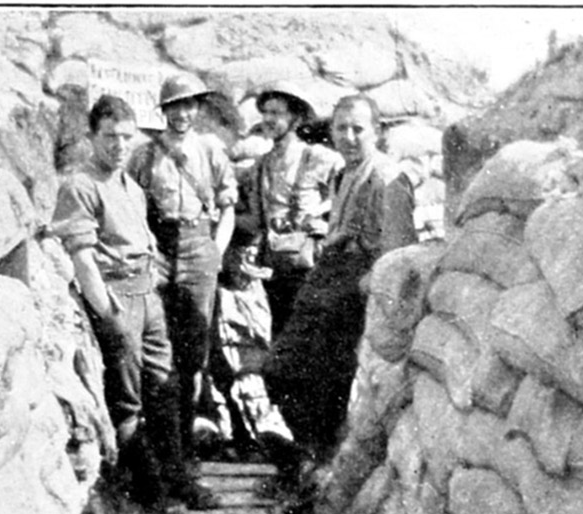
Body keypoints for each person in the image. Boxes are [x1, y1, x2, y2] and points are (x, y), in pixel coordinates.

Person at [51, 95, 218, 514]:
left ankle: (179, 477)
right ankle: (150, 488)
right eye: (110, 137)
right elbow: (83, 258)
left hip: (148, 294)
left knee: (165, 387)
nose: (119, 145)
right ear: (92, 137)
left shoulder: (131, 187)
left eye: (127, 137)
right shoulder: (80, 185)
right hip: (117, 296)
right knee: (129, 398)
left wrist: (154, 295)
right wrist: (108, 315)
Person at [263, 93, 418, 482]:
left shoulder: (386, 178)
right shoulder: (345, 172)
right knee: (279, 368)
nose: (349, 137)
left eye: (358, 129)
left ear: (377, 132)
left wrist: (356, 293)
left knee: (328, 388)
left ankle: (319, 469)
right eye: (341, 128)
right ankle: (311, 457)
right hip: (326, 284)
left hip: (353, 298)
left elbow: (396, 257)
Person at [128, 73, 239, 464]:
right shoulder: (145, 154)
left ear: (198, 109)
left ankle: (187, 442)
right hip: (158, 247)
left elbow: (228, 205)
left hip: (198, 245)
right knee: (158, 346)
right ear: (164, 111)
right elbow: (131, 204)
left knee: (194, 352)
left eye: (189, 105)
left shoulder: (210, 148)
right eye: (175, 106)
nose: (183, 114)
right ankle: (163, 444)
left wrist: (215, 250)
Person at [238, 81, 344, 337]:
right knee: (281, 336)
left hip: (313, 267)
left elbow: (347, 201)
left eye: (277, 113)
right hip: (277, 268)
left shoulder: (320, 158)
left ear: (295, 118)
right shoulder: (260, 166)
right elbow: (255, 219)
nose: (269, 119)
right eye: (266, 113)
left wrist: (323, 222)